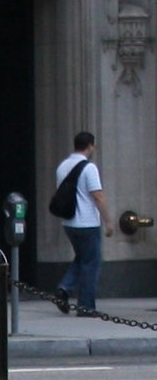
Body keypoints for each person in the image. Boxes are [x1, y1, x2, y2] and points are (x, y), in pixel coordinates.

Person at [50, 133, 112, 318]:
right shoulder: (89, 168)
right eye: (93, 146)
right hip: (87, 222)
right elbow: (98, 196)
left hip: (69, 222)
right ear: (90, 146)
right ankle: (86, 305)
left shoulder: (63, 166)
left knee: (82, 258)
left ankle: (64, 288)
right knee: (91, 262)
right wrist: (108, 221)